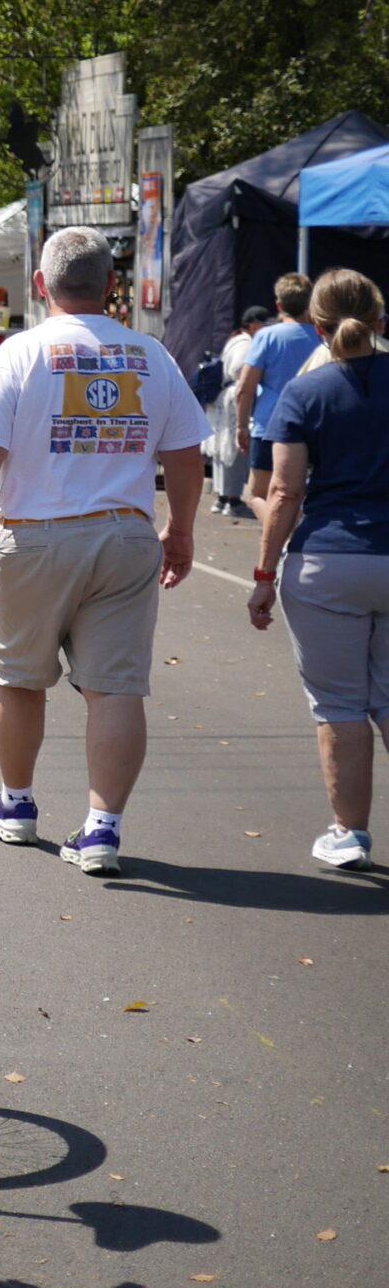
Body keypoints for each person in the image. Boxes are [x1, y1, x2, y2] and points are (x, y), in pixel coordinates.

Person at [0, 225, 206, 877]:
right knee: (115, 687)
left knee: (18, 676)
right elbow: (186, 456)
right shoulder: (151, 355)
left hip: (35, 535)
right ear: (112, 288)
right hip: (125, 535)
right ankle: (102, 829)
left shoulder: (22, 351)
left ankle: (17, 803)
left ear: (41, 285)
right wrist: (181, 530)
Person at [247, 270, 389, 870]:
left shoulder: (304, 395)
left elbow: (283, 491)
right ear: (380, 319)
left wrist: (262, 576)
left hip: (328, 561)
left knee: (339, 705)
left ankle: (348, 834)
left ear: (317, 327)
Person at [236, 271, 320, 515]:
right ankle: (291, 537)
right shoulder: (321, 336)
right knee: (300, 494)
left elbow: (245, 387)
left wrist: (241, 426)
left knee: (258, 494)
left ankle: (283, 538)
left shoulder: (267, 336)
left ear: (279, 305)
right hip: (312, 425)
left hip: (269, 425)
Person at [208, 308, 268, 520]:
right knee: (235, 450)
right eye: (262, 323)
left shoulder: (236, 340)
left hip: (226, 398)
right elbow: (238, 369)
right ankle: (232, 499)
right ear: (252, 324)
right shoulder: (245, 343)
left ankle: (222, 498)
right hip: (236, 397)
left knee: (224, 449)